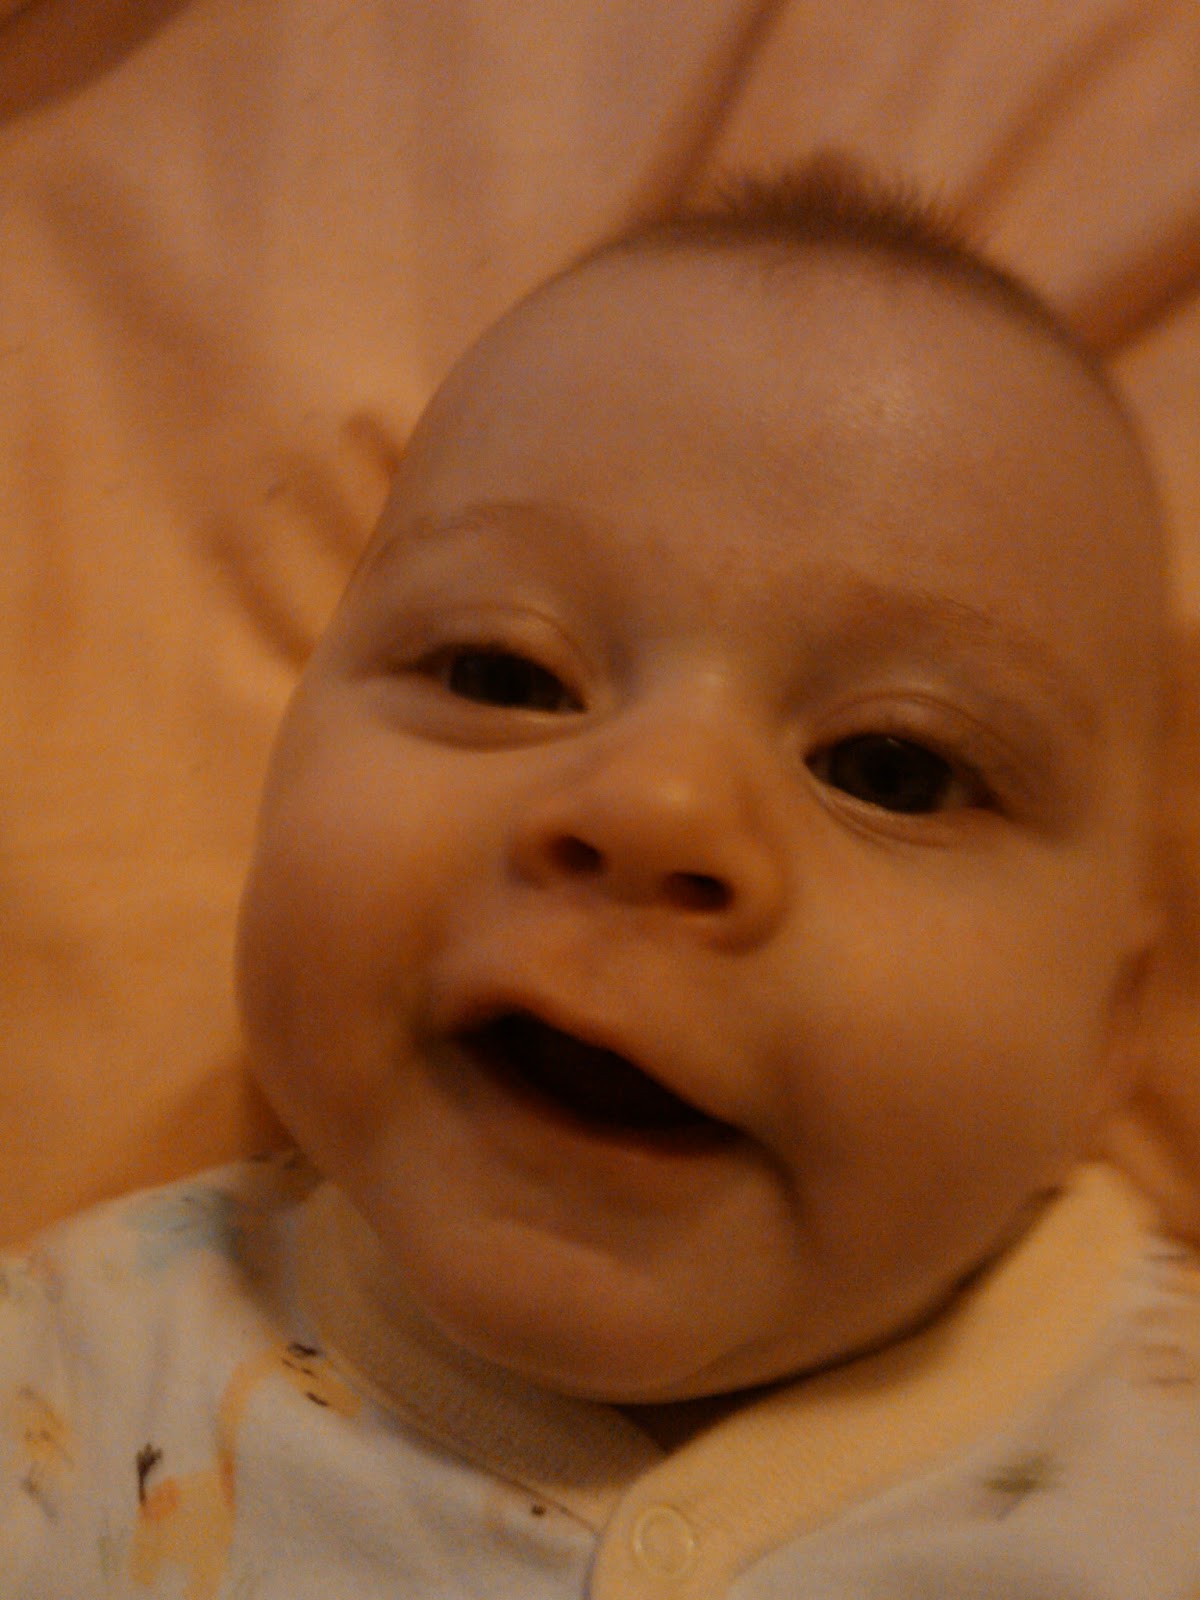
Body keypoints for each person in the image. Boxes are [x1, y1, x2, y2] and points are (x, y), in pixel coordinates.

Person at [3, 167, 1196, 1598]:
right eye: (505, 673)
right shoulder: (67, 1388)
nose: (654, 809)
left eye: (893, 769)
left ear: (1111, 1032)